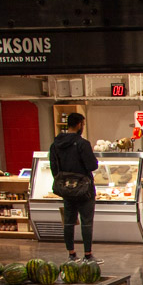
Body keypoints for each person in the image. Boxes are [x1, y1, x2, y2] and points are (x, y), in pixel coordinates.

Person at [49, 112, 99, 263]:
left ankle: (71, 254)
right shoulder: (82, 144)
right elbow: (92, 165)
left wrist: (63, 181)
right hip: (84, 189)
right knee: (86, 221)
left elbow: (53, 167)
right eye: (82, 124)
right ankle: (88, 254)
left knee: (69, 222)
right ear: (79, 125)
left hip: (66, 188)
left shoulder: (55, 144)